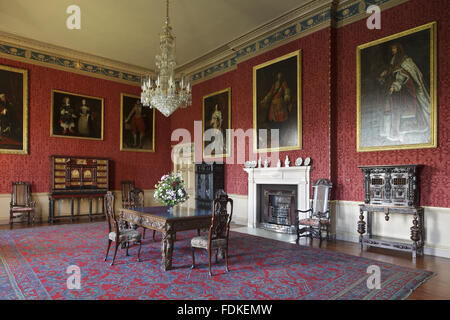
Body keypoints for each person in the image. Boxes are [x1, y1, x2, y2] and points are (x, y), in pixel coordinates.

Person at [377, 43, 430, 143]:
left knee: (406, 109)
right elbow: (392, 71)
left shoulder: (405, 60)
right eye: (392, 48)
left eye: (394, 48)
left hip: (404, 91)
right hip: (396, 92)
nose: (392, 50)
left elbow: (402, 75)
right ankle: (394, 133)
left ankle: (406, 133)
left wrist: (395, 86)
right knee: (393, 110)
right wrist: (385, 73)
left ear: (399, 49)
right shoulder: (393, 60)